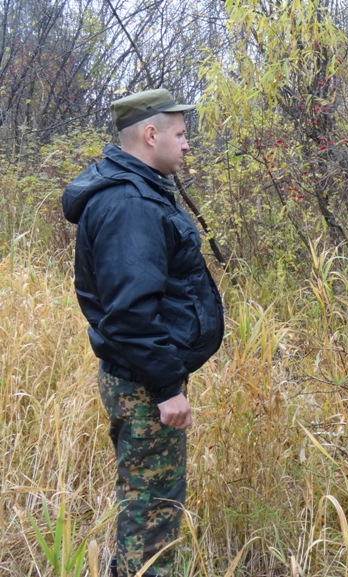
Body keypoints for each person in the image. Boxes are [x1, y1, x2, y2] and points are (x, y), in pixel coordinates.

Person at [61, 88, 224, 577]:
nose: (187, 144)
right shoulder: (131, 203)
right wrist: (167, 387)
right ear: (151, 135)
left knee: (145, 501)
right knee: (152, 508)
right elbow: (129, 312)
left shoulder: (137, 190)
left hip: (142, 373)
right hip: (144, 382)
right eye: (181, 134)